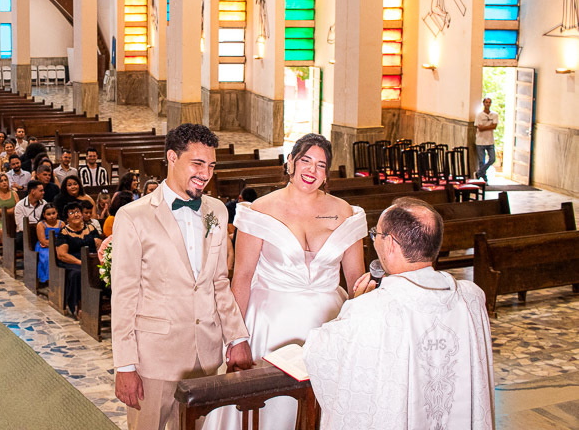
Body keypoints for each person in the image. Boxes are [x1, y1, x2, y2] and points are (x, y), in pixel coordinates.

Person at [205, 133, 366, 430]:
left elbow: (357, 281)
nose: (312, 170)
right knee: (269, 410)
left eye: (321, 165)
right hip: (270, 325)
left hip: (329, 325)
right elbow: (242, 277)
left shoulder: (345, 213)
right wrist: (236, 339)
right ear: (290, 162)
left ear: (326, 173)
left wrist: (364, 331)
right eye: (305, 160)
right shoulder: (260, 210)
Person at [303, 197, 495, 430]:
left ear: (391, 243)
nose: (375, 241)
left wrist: (358, 304)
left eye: (376, 234)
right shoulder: (471, 298)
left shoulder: (371, 309)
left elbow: (320, 355)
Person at [112, 123, 251, 430]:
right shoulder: (133, 216)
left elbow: (218, 282)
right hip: (153, 359)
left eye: (211, 165)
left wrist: (237, 337)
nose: (205, 173)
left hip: (205, 357)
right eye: (197, 163)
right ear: (172, 158)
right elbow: (123, 295)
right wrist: (125, 365)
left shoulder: (217, 211)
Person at [54, 201, 102, 317]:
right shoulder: (64, 233)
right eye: (71, 213)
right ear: (67, 218)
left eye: (77, 212)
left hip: (91, 259)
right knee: (77, 273)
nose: (76, 215)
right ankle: (77, 306)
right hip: (73, 262)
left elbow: (99, 245)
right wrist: (81, 262)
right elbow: (62, 255)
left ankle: (100, 302)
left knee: (102, 270)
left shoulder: (91, 228)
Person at [34, 203, 64, 283]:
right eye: (48, 214)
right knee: (48, 256)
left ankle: (61, 278)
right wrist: (56, 243)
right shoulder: (41, 224)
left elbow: (64, 238)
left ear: (57, 213)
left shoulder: (61, 223)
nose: (52, 216)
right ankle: (48, 278)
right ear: (44, 215)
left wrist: (58, 244)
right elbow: (43, 241)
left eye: (53, 213)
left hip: (58, 245)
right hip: (44, 247)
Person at [475, 96, 498, 182]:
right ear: (483, 103)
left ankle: (479, 173)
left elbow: (494, 126)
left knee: (492, 159)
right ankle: (484, 178)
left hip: (490, 141)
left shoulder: (494, 115)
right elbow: (479, 127)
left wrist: (484, 127)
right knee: (481, 161)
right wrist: (489, 126)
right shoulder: (479, 115)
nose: (488, 104)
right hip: (480, 141)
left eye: (489, 102)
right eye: (486, 102)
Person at [0, 173, 19, 237]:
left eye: (5, 180)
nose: (4, 182)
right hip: (0, 221)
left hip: (13, 219)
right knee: (3, 230)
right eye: (1, 181)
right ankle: (6, 243)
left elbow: (18, 208)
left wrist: (2, 212)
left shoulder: (14, 193)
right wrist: (11, 211)